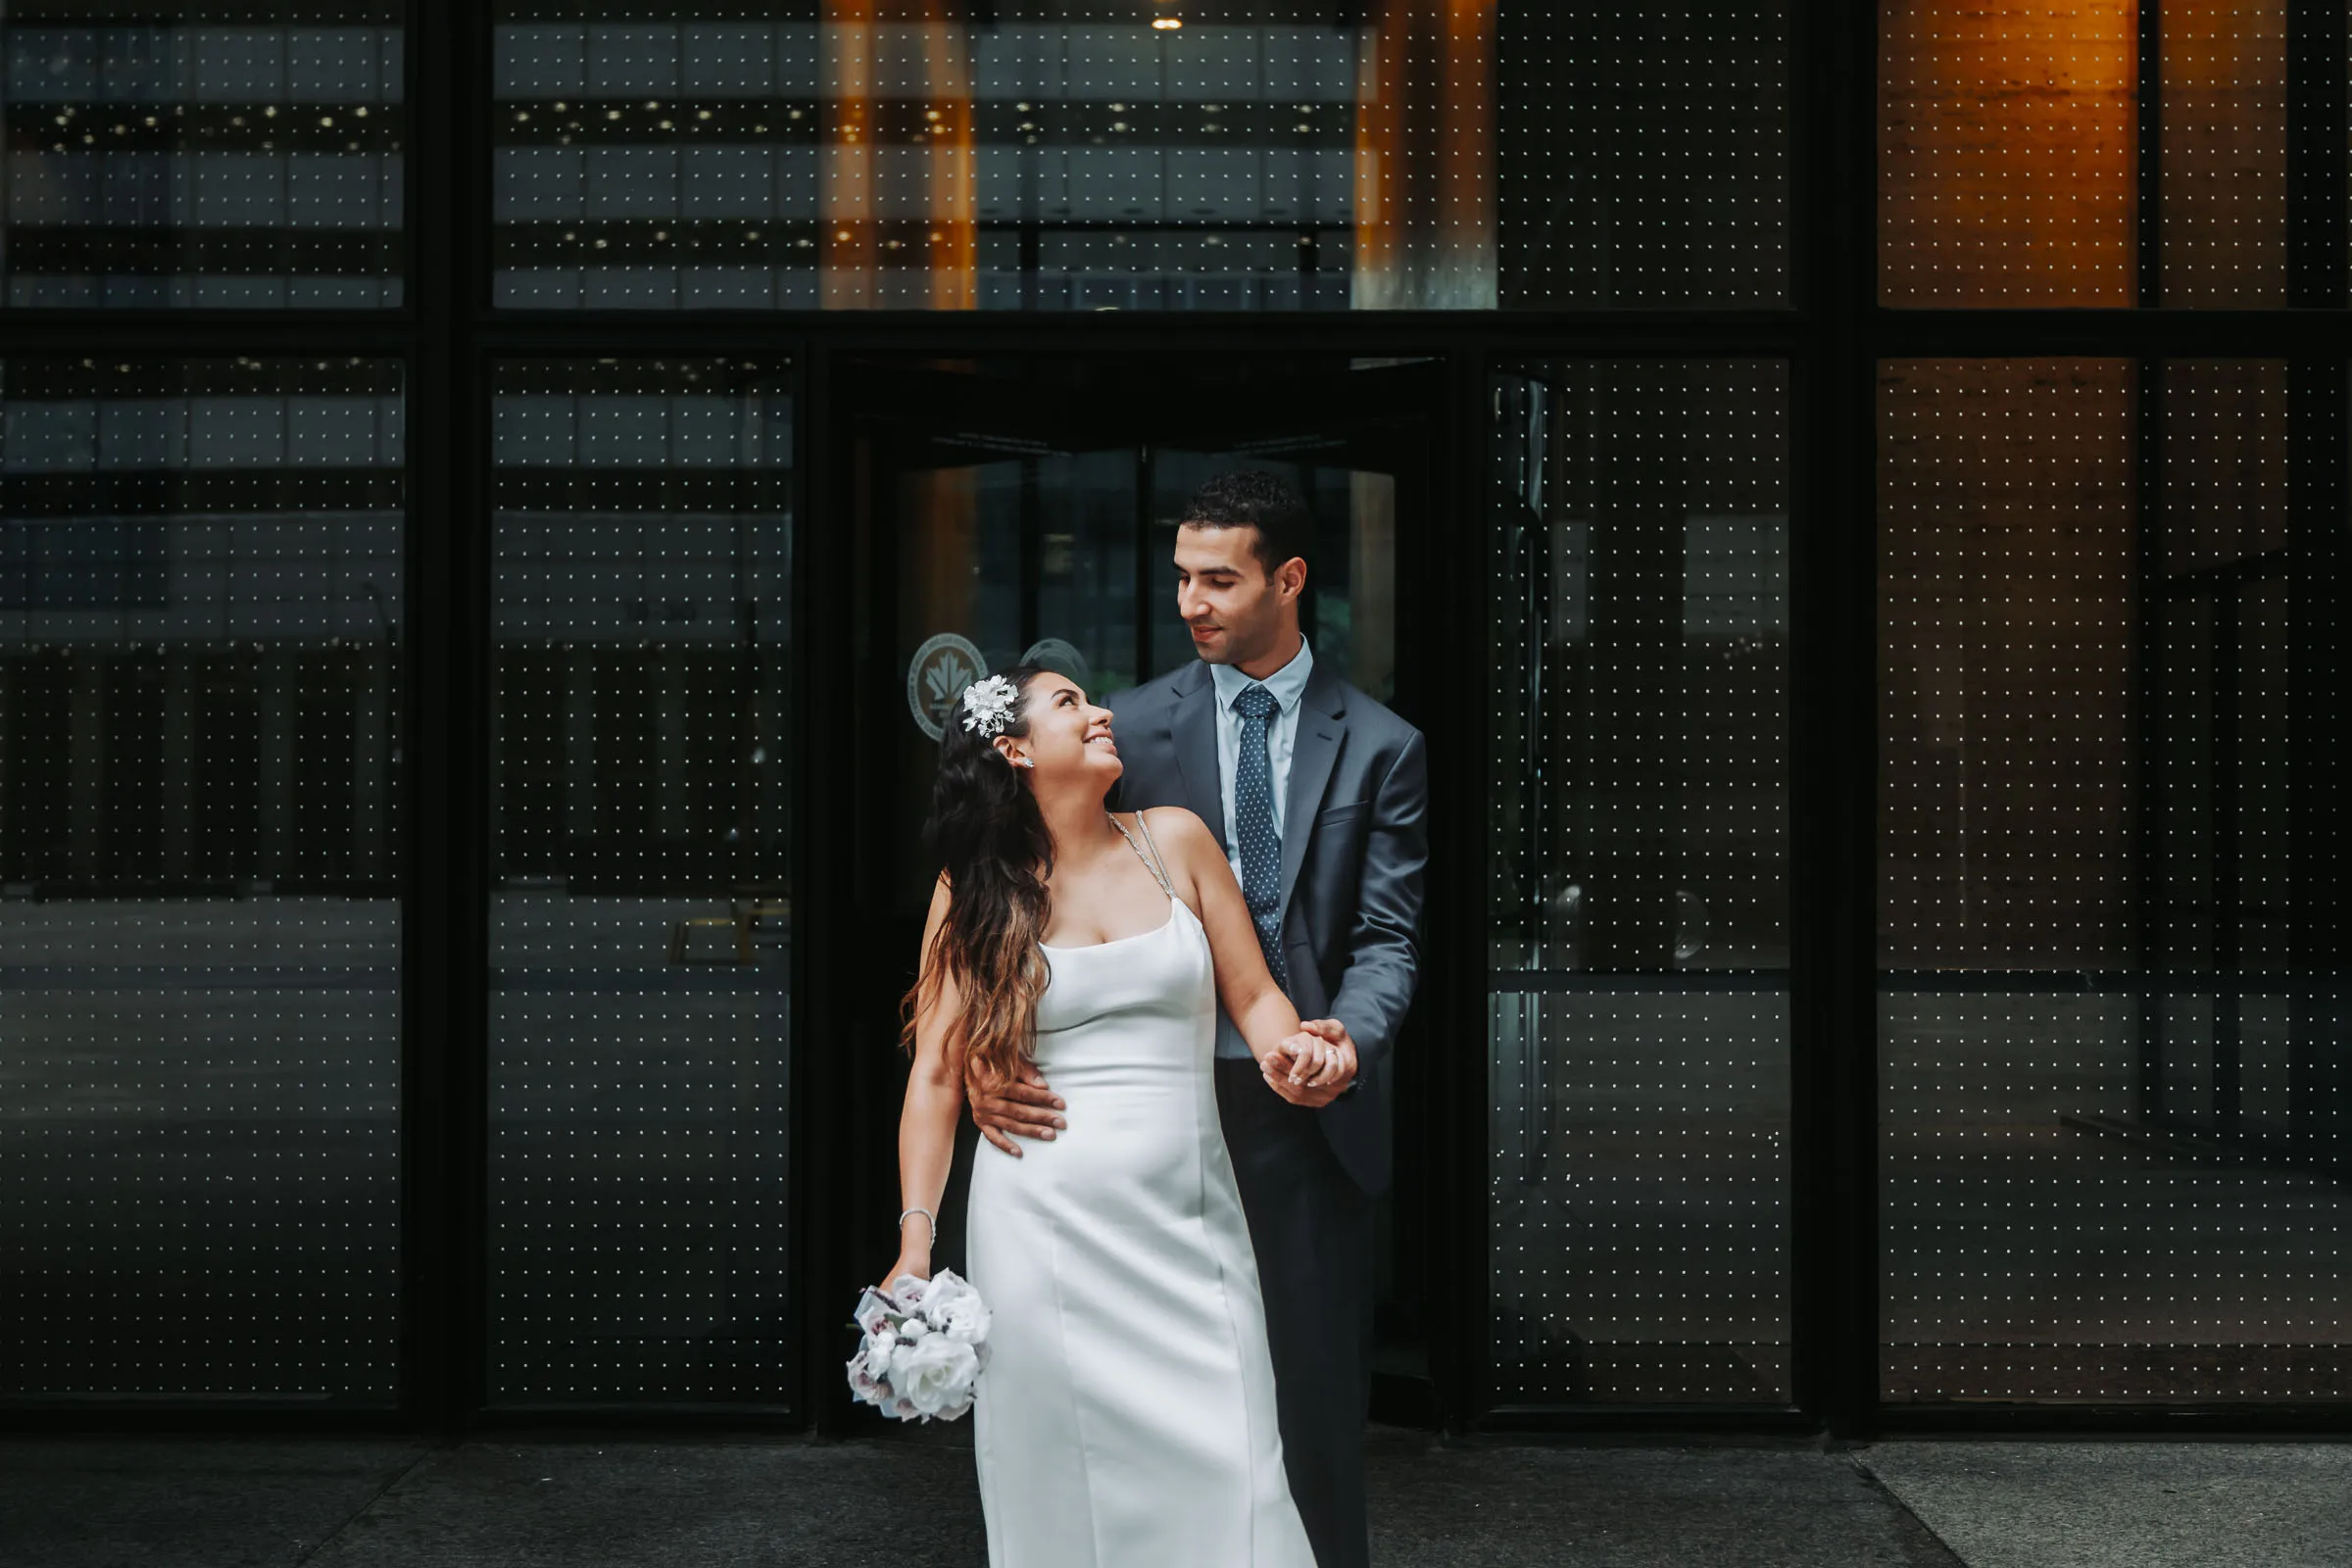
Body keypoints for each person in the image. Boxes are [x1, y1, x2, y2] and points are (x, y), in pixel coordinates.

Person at [970, 470, 1429, 1568]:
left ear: (1291, 579)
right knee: (1132, 1417)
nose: (1190, 601)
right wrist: (991, 1045)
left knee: (1309, 1418)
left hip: (1301, 1113)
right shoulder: (1122, 726)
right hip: (1146, 1125)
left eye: (1217, 579)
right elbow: (1028, 892)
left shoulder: (1382, 746)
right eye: (1181, 578)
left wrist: (1343, 1040)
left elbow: (1388, 939)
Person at [883, 660, 1356, 1567]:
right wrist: (915, 1246)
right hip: (1043, 1239)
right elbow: (937, 1080)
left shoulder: (1174, 840)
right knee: (1064, 1491)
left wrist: (1296, 1056)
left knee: (1242, 1474)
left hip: (1192, 1229)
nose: (1101, 712)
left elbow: (1257, 999)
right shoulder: (972, 891)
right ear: (1014, 748)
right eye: (1070, 703)